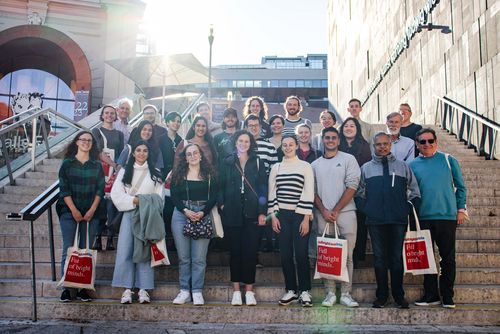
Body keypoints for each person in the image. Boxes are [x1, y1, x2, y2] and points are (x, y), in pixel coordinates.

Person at [356, 132, 421, 309]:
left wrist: (405, 208)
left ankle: (399, 295)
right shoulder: (366, 168)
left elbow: (414, 191)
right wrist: (368, 209)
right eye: (378, 144)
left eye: (385, 144)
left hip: (398, 220)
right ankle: (382, 296)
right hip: (375, 221)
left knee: (396, 258)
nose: (382, 147)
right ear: (373, 146)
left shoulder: (402, 167)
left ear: (390, 144)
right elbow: (359, 193)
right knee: (379, 258)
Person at [410, 128, 467, 309]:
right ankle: (431, 295)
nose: (427, 144)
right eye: (422, 141)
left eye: (430, 140)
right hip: (423, 218)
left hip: (447, 217)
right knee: (427, 259)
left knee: (447, 259)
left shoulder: (449, 160)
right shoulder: (412, 165)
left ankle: (448, 296)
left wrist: (460, 209)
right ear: (417, 144)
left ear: (436, 141)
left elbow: (461, 187)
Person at [110, 140, 165, 304]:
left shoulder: (155, 172)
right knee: (125, 250)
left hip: (147, 216)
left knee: (145, 251)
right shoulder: (125, 171)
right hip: (129, 214)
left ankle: (144, 289)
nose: (141, 153)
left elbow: (160, 198)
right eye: (138, 150)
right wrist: (136, 201)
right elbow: (116, 194)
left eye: (145, 150)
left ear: (149, 153)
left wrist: (144, 202)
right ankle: (127, 288)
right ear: (133, 153)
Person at [311, 127, 361, 308]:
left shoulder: (349, 159)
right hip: (322, 215)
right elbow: (312, 191)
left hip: (346, 213)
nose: (330, 140)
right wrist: (324, 210)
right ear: (323, 140)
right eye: (327, 138)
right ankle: (330, 293)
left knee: (347, 256)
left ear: (339, 140)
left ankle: (346, 294)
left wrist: (337, 209)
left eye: (333, 138)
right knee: (326, 254)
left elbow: (353, 185)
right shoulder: (314, 164)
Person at [219, 130, 268, 306]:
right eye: (240, 140)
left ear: (251, 143)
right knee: (235, 253)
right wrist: (222, 205)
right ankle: (236, 291)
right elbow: (220, 185)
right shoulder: (227, 162)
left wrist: (263, 211)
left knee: (250, 253)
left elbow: (263, 187)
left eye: (247, 141)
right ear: (235, 142)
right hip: (232, 213)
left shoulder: (257, 161)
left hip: (252, 213)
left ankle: (249, 291)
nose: (243, 144)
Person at [56, 131, 104, 303]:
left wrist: (92, 210)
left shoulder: (96, 165)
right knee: (68, 248)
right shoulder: (67, 164)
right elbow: (64, 189)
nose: (86, 142)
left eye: (89, 140)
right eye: (83, 140)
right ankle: (67, 289)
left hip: (92, 212)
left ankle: (83, 287)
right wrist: (74, 210)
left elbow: (100, 189)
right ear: (76, 142)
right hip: (69, 212)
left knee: (86, 250)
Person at [268, 135, 315, 307]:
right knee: (285, 255)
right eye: (284, 145)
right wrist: (273, 216)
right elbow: (272, 192)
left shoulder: (305, 166)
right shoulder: (276, 167)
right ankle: (291, 291)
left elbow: (308, 191)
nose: (287, 147)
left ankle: (304, 291)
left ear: (296, 146)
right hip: (282, 216)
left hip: (300, 215)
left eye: (291, 145)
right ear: (281, 147)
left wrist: (305, 218)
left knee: (301, 254)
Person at [170, 143, 217, 306]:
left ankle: (197, 291)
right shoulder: (178, 174)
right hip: (182, 214)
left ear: (201, 155)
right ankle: (184, 291)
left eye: (195, 153)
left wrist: (203, 212)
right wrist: (185, 210)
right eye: (189, 154)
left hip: (203, 213)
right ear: (185, 157)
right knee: (184, 257)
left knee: (199, 258)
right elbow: (174, 196)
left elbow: (214, 196)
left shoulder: (209, 174)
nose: (192, 156)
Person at [338, 117, 372, 265]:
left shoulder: (364, 146)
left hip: (359, 191)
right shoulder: (337, 145)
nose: (349, 128)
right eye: (346, 126)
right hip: (339, 190)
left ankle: (357, 257)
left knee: (360, 223)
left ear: (357, 129)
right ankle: (340, 256)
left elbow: (366, 169)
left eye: (352, 126)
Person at [91, 105, 124, 251]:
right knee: (100, 205)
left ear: (115, 116)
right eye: (107, 113)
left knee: (112, 205)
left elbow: (122, 152)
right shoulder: (96, 131)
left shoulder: (119, 134)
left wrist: (118, 168)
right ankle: (97, 238)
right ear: (102, 115)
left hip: (115, 174)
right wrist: (114, 164)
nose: (109, 115)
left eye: (112, 113)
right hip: (101, 172)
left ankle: (110, 238)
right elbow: (98, 152)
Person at [163, 111, 183, 250]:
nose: (176, 123)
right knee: (164, 209)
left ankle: (174, 240)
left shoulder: (181, 140)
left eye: (178, 121)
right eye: (173, 121)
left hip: (177, 179)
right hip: (162, 178)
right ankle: (164, 240)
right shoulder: (160, 139)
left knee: (175, 208)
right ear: (167, 122)